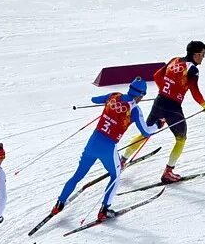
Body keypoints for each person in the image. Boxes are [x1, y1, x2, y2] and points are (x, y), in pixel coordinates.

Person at [52, 78, 161, 222]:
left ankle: (59, 204)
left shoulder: (113, 96)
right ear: (140, 94)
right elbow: (146, 131)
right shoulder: (135, 110)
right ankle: (104, 210)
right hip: (108, 147)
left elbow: (94, 99)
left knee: (78, 175)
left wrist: (109, 107)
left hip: (93, 142)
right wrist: (158, 125)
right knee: (115, 176)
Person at [122, 41, 205, 184]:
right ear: (195, 55)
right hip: (173, 107)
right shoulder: (192, 70)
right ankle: (168, 172)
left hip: (159, 101)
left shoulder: (174, 60)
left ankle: (122, 161)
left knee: (146, 132)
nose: (203, 57)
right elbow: (195, 91)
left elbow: (157, 76)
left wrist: (166, 90)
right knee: (181, 139)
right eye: (202, 54)